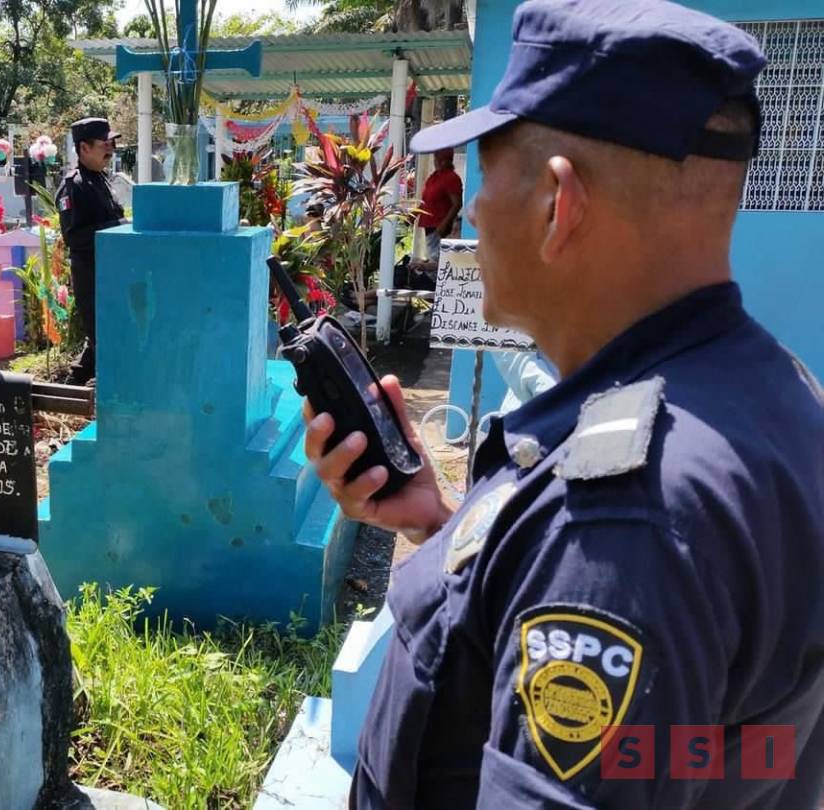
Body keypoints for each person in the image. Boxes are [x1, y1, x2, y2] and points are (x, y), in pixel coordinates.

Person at [302, 1, 824, 806]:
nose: (473, 211)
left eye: (486, 176)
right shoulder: (773, 394)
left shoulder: (619, 524)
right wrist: (440, 527)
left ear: (557, 204)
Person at [56, 117, 126, 386]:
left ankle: (71, 388)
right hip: (91, 275)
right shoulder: (74, 185)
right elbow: (74, 237)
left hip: (110, 272)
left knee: (102, 335)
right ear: (84, 148)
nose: (110, 150)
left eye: (112, 144)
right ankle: (102, 394)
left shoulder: (102, 179)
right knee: (102, 336)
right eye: (104, 144)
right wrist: (119, 227)